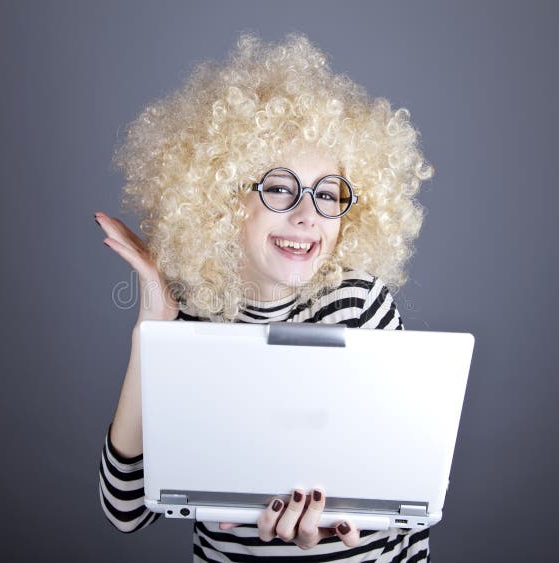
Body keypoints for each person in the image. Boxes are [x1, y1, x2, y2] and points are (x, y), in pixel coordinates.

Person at [96, 33, 433, 562]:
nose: (307, 216)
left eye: (327, 194)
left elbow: (407, 511)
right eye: (279, 188)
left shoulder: (360, 305)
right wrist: (154, 328)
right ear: (223, 198)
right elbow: (125, 510)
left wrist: (351, 524)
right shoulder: (194, 319)